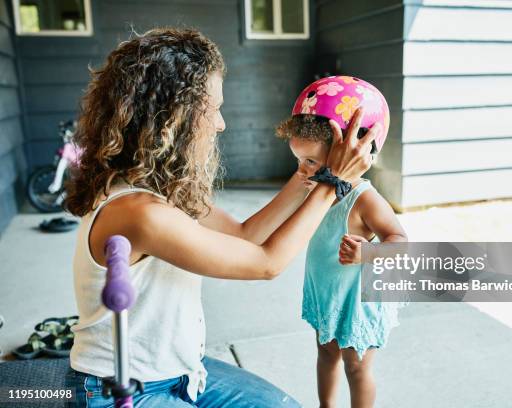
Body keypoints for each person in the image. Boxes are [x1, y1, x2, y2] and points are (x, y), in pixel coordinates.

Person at [62, 28, 379, 407]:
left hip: (180, 371)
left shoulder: (155, 186)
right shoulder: (137, 212)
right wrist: (333, 182)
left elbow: (244, 235)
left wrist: (308, 172)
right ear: (174, 116)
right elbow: (265, 263)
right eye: (213, 109)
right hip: (123, 389)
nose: (220, 123)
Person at [275, 76, 408, 408]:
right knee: (325, 354)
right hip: (328, 295)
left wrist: (369, 251)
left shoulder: (365, 199)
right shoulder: (316, 190)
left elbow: (401, 241)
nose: (302, 172)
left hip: (357, 302)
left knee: (357, 368)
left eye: (310, 162)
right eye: (298, 161)